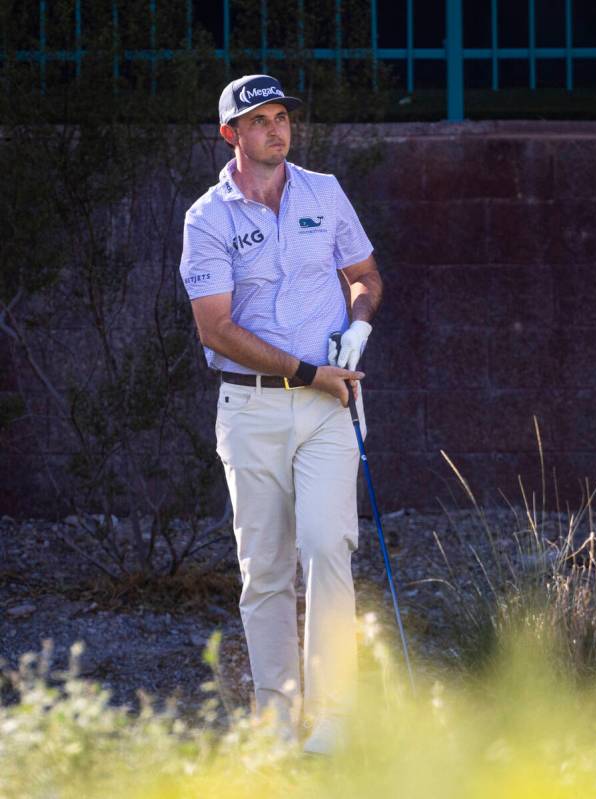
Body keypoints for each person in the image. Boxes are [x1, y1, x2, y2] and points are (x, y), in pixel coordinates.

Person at [179, 74, 383, 755]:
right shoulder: (208, 218)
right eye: (259, 120)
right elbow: (216, 329)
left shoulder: (322, 191)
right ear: (229, 134)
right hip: (251, 407)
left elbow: (364, 273)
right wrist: (305, 371)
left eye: (282, 117)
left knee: (328, 548)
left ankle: (332, 721)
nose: (276, 128)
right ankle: (276, 719)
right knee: (265, 568)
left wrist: (357, 324)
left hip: (330, 405)